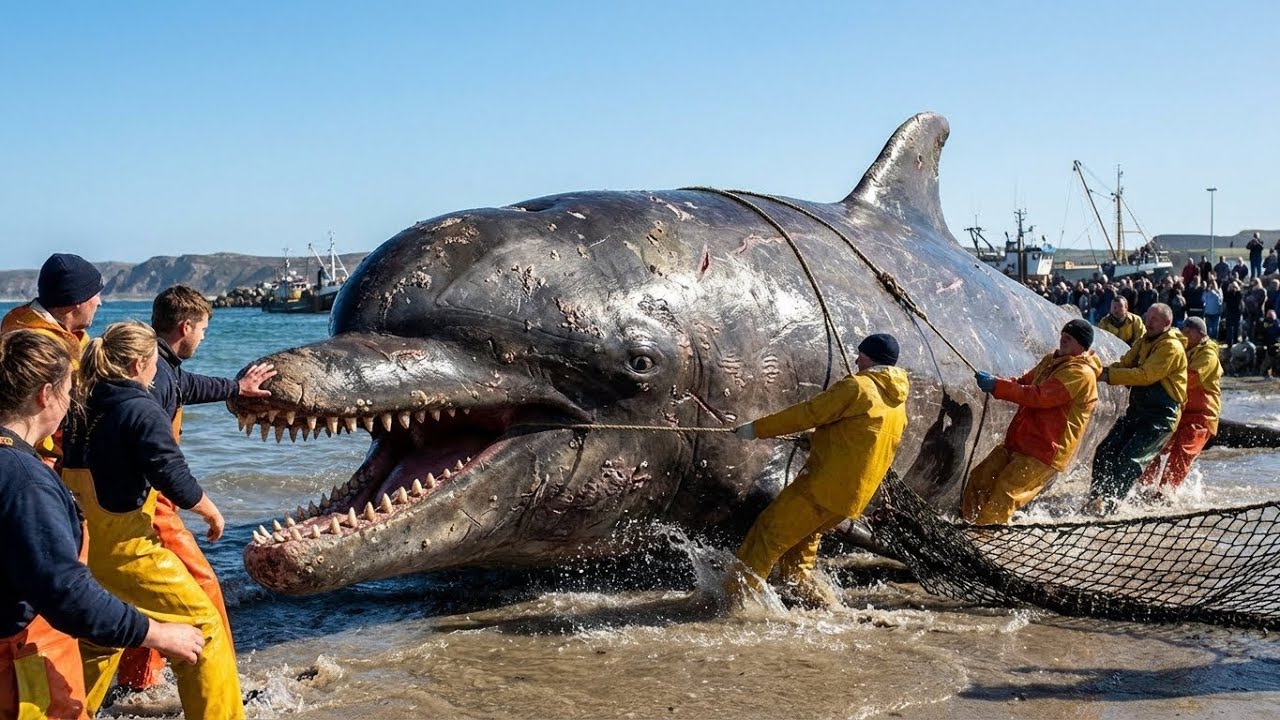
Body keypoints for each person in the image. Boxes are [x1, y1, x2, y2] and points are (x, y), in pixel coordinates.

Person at [0, 330, 203, 720]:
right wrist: (156, 633)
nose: (72, 401)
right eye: (66, 390)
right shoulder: (26, 481)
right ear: (45, 395)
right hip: (20, 666)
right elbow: (67, 594)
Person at [60, 321, 243, 719]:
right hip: (127, 551)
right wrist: (210, 511)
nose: (158, 372)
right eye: (154, 365)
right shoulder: (140, 407)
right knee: (202, 630)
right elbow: (171, 473)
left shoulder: (81, 402)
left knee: (98, 641)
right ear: (140, 363)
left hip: (80, 547)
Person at [113, 287, 276, 693]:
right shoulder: (155, 385)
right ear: (186, 326)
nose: (204, 337)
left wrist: (236, 388)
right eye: (203, 329)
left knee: (143, 596)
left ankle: (138, 684)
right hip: (150, 509)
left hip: (123, 508)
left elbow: (190, 385)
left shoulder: (161, 371)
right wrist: (206, 508)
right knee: (202, 588)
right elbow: (163, 464)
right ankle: (220, 682)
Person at [725, 334, 909, 609]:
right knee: (798, 560)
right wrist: (814, 440)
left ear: (870, 356)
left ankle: (732, 604)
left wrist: (757, 429)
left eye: (860, 354)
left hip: (820, 490)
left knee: (767, 535)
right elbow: (860, 437)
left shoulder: (857, 387)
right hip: (849, 501)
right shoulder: (897, 404)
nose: (857, 360)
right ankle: (827, 608)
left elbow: (809, 413)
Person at [963, 320, 1102, 523]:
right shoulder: (1051, 360)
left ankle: (983, 538)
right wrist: (997, 381)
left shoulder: (1080, 374)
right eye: (1064, 334)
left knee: (1005, 493)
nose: (1064, 338)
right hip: (1021, 440)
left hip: (1045, 450)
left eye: (1070, 337)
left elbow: (1039, 396)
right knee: (981, 477)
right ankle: (966, 523)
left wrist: (998, 387)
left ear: (1082, 345)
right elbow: (1023, 383)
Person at [0, 254, 104, 467]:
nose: (99, 302)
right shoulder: (40, 345)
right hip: (40, 457)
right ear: (77, 301)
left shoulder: (27, 324)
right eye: (95, 294)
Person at [1086, 304, 1188, 514]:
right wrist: (1096, 369)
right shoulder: (1144, 341)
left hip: (1161, 418)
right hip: (1138, 411)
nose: (1148, 322)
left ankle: (1111, 507)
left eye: (1155, 320)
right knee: (1105, 450)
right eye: (1147, 317)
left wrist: (1107, 376)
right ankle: (1095, 499)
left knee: (1128, 460)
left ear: (1167, 324)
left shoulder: (1171, 347)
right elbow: (1125, 363)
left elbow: (1145, 375)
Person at [1136, 317, 1221, 493]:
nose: (1184, 335)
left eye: (1187, 332)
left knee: (1182, 453)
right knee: (1156, 447)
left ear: (1200, 334)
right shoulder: (1184, 347)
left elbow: (1189, 378)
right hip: (1180, 410)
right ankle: (1142, 488)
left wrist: (1158, 377)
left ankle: (1165, 494)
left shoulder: (1208, 355)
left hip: (1202, 415)